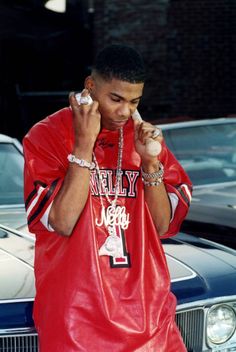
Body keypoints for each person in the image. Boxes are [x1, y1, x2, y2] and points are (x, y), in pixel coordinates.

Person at [23, 44, 192, 352]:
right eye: (115, 99)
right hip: (76, 319)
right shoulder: (46, 135)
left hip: (147, 313)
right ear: (91, 86)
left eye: (134, 101)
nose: (124, 111)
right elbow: (61, 222)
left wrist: (151, 163)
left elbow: (163, 225)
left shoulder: (143, 137)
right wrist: (84, 143)